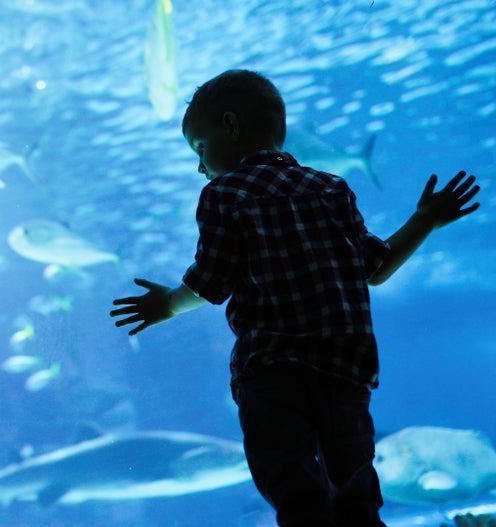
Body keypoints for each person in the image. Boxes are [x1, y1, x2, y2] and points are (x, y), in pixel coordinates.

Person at [109, 69, 482, 527]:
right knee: (355, 487)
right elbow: (377, 267)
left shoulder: (224, 194)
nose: (200, 166)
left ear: (230, 126)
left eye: (200, 148)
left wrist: (166, 304)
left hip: (273, 371)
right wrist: (425, 219)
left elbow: (211, 281)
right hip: (345, 369)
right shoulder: (331, 188)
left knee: (293, 485)